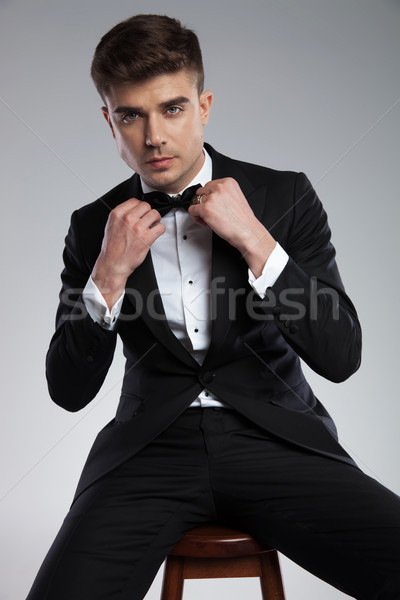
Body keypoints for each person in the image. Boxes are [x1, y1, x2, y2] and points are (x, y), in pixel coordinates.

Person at [27, 13, 400, 600]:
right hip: (150, 450)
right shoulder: (92, 226)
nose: (153, 136)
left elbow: (342, 355)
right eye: (131, 115)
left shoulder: (284, 195)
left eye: (172, 109)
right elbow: (68, 389)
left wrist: (256, 240)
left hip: (276, 439)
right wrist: (108, 274)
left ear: (203, 106)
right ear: (109, 121)